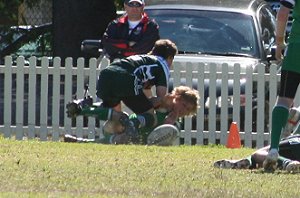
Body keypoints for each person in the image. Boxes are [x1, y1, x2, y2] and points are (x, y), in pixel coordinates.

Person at [67, 39, 178, 141]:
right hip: (126, 77)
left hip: (107, 74)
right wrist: (169, 111)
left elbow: (146, 97)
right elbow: (161, 98)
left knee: (116, 116)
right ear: (169, 57)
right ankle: (133, 125)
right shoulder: (162, 65)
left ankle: (82, 108)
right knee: (150, 116)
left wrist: (150, 102)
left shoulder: (144, 59)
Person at [64, 86, 200, 145]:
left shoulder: (175, 125)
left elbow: (162, 139)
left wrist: (169, 121)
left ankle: (82, 142)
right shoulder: (158, 102)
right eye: (183, 105)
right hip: (123, 126)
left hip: (133, 139)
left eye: (187, 110)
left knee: (123, 139)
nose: (183, 110)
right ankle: (82, 109)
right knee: (122, 116)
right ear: (176, 97)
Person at [263, 0, 300, 172]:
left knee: (284, 100)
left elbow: (283, 13)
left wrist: (279, 42)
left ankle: (274, 148)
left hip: (296, 48)